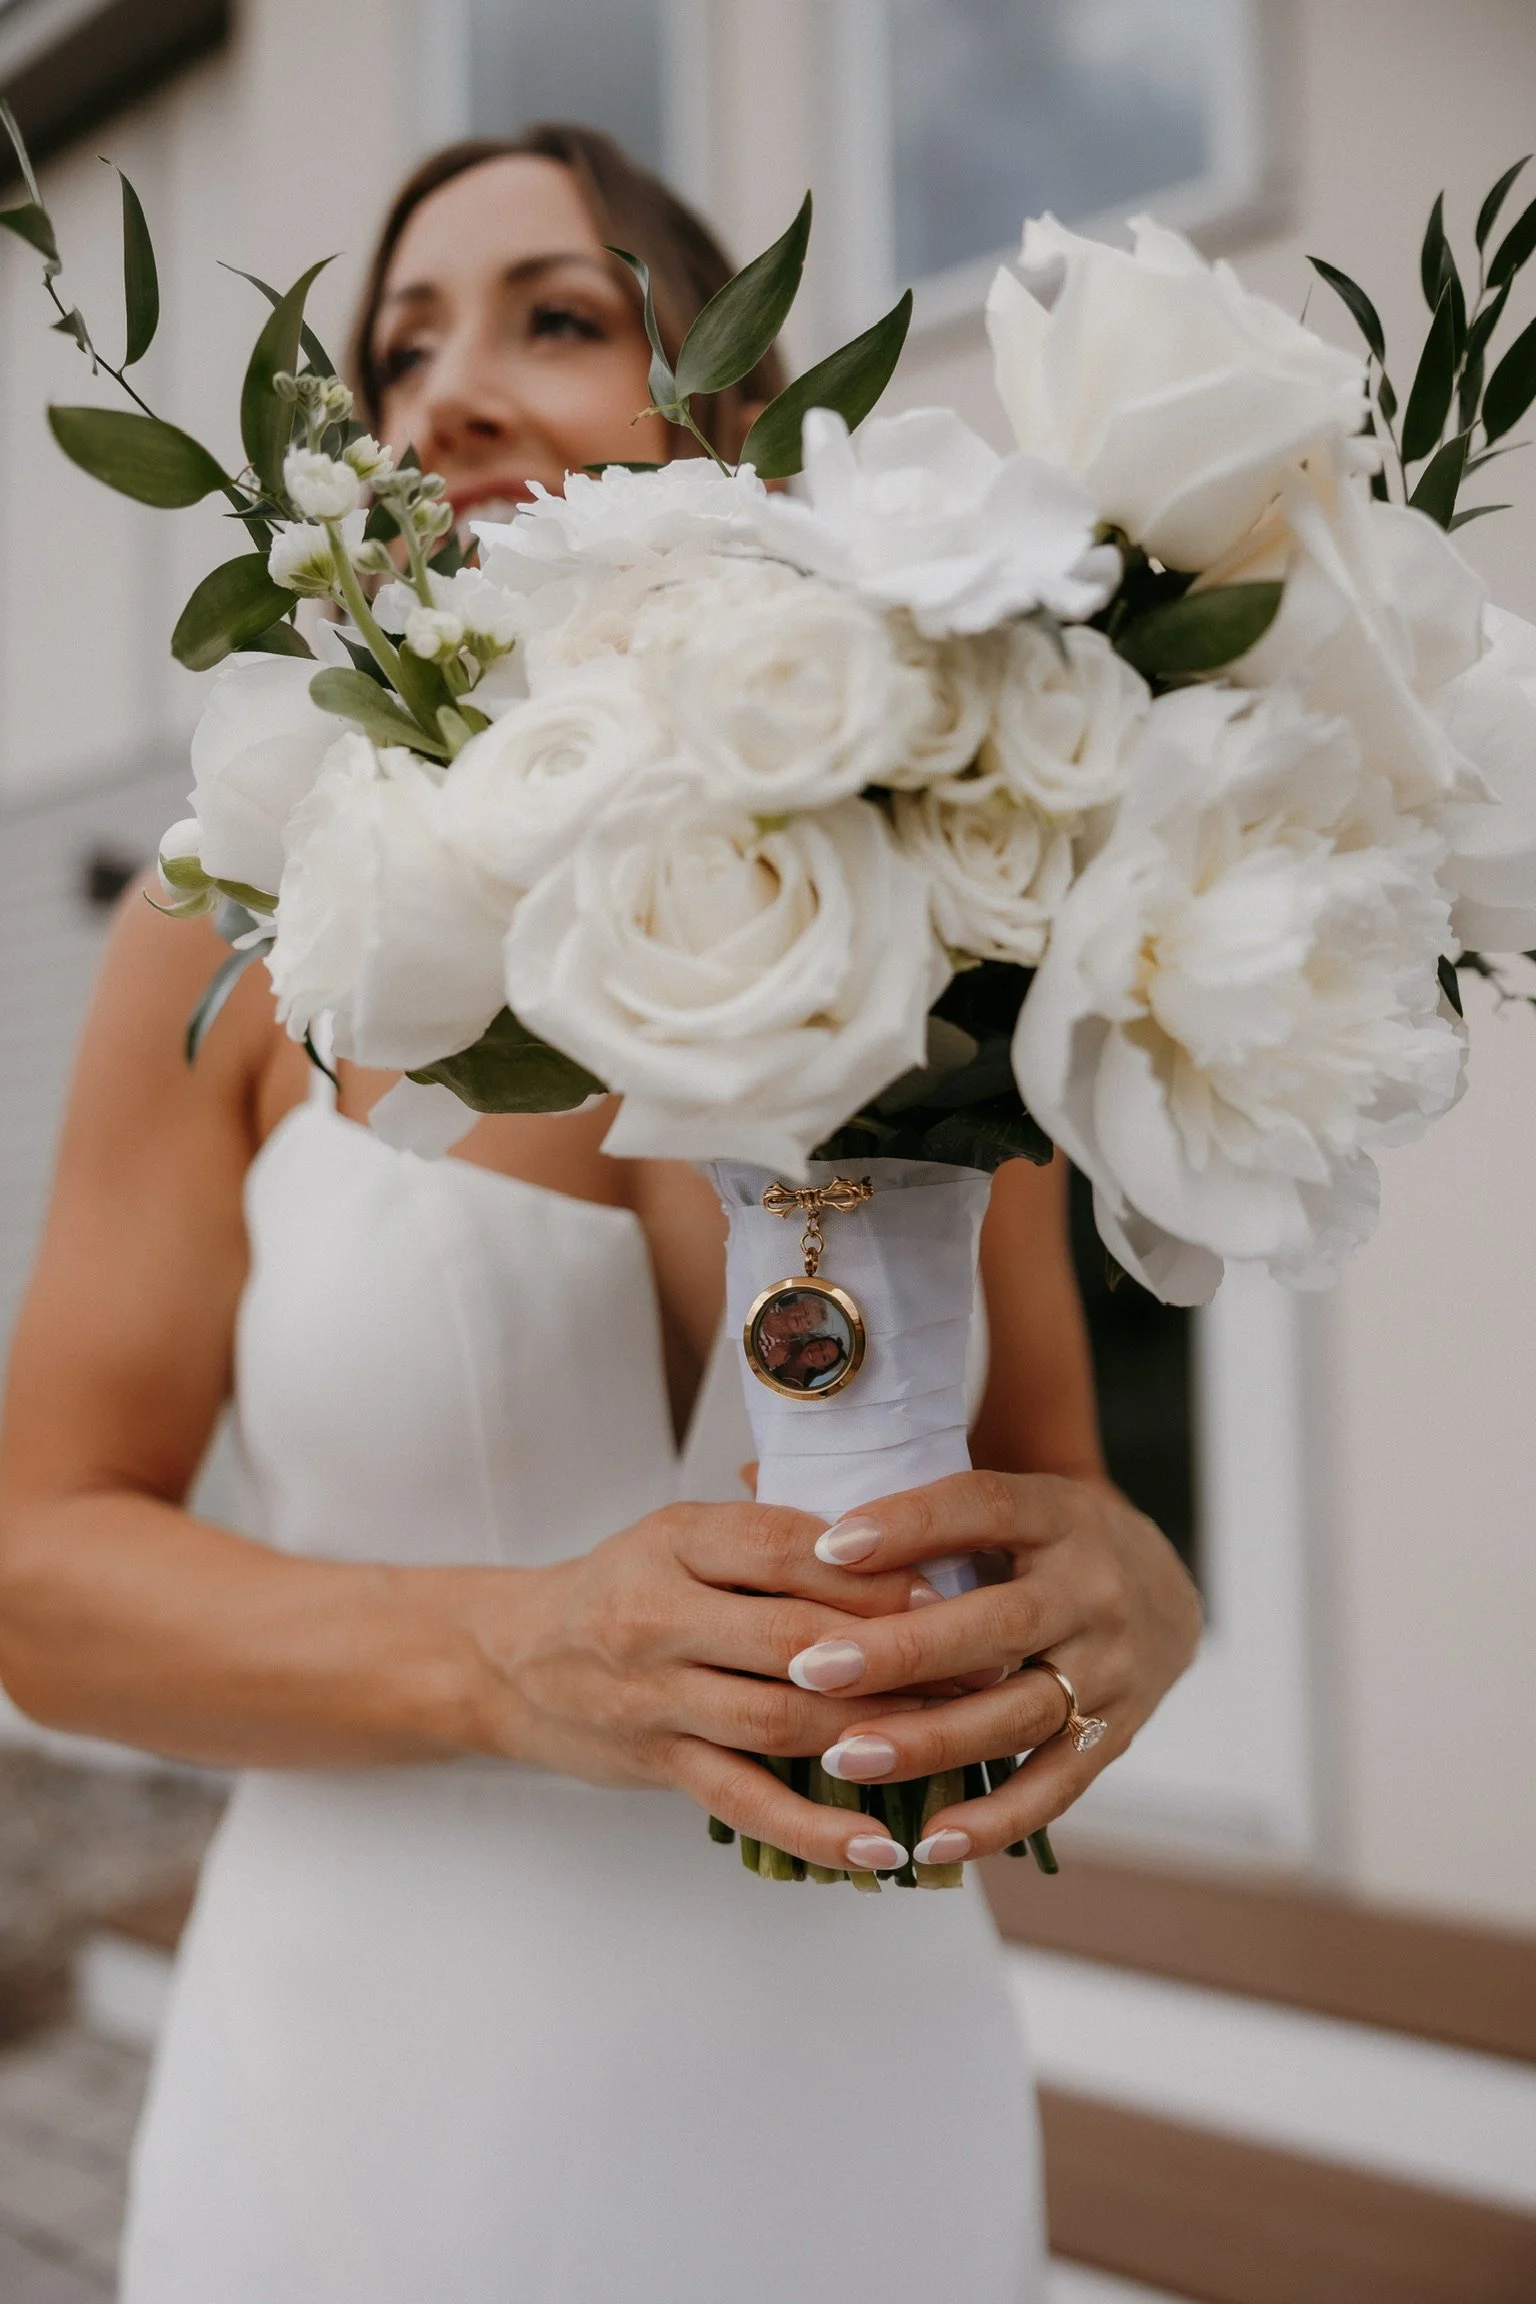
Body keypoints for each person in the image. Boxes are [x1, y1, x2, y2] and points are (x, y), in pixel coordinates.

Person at [0, 126, 1201, 2304]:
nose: (441, 395)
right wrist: (494, 1657)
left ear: (730, 424)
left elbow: (1045, 1515)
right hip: (372, 2121)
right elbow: (39, 1573)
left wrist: (1136, 1601)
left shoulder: (944, 919)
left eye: (558, 319)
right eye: (395, 354)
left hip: (864, 2110)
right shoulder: (242, 933)